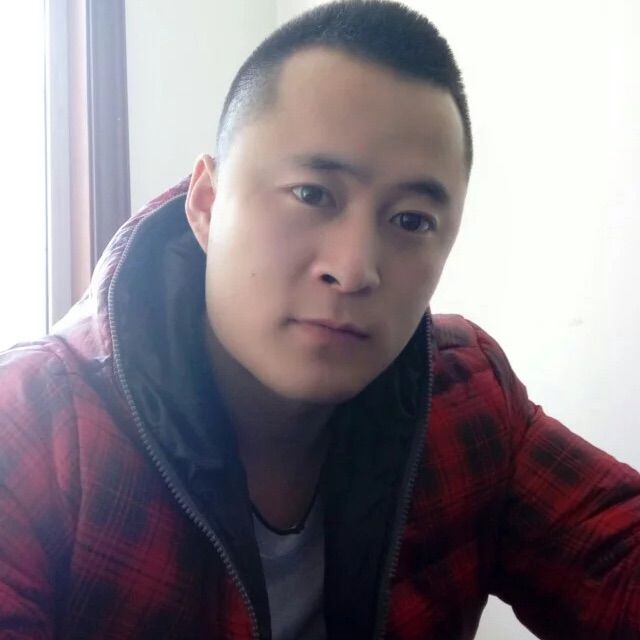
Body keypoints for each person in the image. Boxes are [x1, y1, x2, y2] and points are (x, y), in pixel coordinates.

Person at [1, 1, 638, 638]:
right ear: (207, 204)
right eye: (311, 194)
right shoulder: (32, 430)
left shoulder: (465, 396)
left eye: (411, 220)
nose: (355, 269)